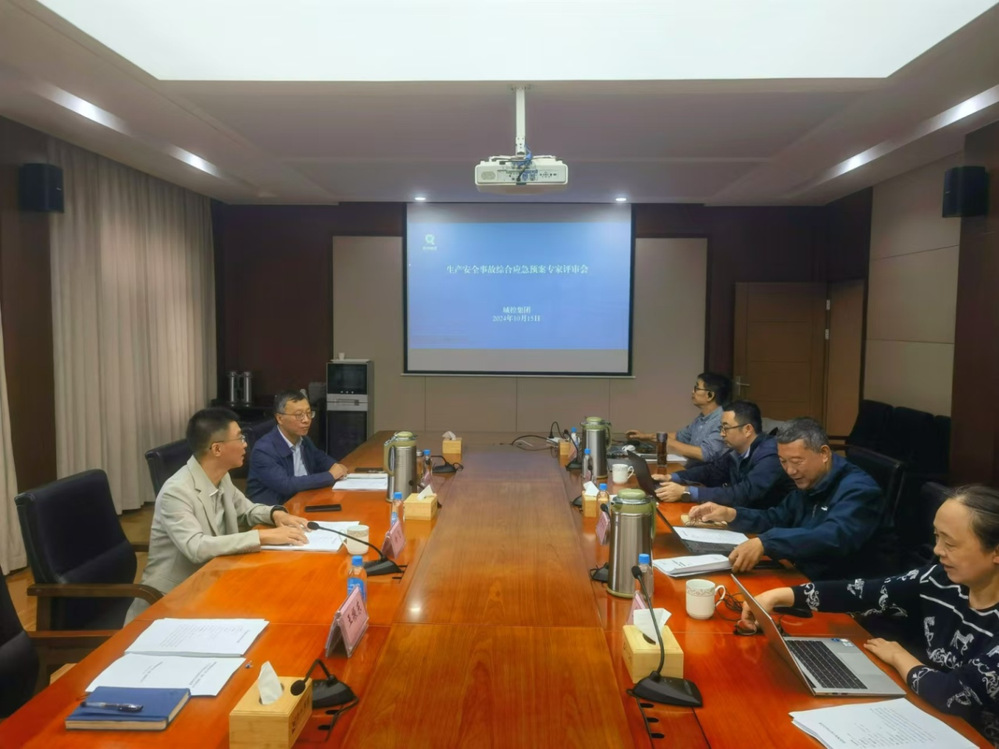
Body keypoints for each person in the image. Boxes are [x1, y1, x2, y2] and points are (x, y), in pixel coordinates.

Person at [740, 485, 999, 747]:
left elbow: (954, 694)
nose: (937, 550)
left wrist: (898, 656)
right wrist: (780, 596)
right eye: (936, 537)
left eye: (950, 543)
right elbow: (866, 592)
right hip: (936, 719)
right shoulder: (940, 579)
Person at [126, 408, 310, 622]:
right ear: (217, 449)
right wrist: (262, 537)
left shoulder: (221, 477)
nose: (245, 444)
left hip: (214, 580)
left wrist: (276, 514)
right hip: (173, 599)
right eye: (240, 438)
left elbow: (247, 510)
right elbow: (196, 547)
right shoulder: (175, 492)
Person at [688, 416, 894, 580]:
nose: (790, 470)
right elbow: (777, 517)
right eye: (783, 461)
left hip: (844, 586)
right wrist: (731, 514)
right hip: (803, 573)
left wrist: (767, 542)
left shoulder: (860, 490)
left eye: (796, 461)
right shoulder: (811, 479)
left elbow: (832, 537)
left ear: (824, 453)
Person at [652, 400, 792, 509]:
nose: (721, 434)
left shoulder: (770, 454)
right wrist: (671, 477)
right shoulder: (736, 451)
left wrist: (686, 492)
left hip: (768, 525)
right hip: (742, 515)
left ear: (747, 430)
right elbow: (711, 471)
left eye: (726, 428)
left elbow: (743, 493)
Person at [247, 389, 349, 506]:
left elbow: (320, 458)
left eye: (309, 413)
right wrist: (330, 476)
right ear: (280, 418)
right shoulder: (263, 450)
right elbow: (286, 485)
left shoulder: (304, 440)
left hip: (302, 501)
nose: (306, 420)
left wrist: (335, 466)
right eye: (299, 415)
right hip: (275, 510)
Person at [626, 372, 731, 469]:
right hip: (691, 471)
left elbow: (705, 454)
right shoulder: (701, 419)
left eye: (696, 388)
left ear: (710, 395)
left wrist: (667, 442)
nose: (692, 391)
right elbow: (679, 436)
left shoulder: (722, 421)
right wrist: (646, 436)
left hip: (706, 478)